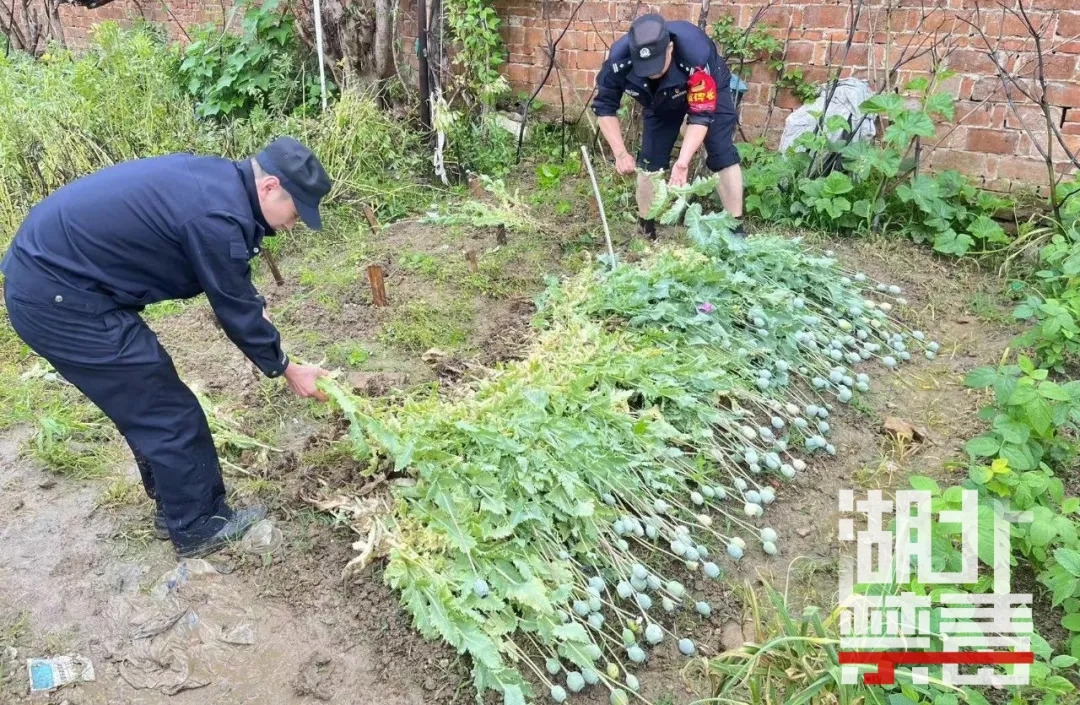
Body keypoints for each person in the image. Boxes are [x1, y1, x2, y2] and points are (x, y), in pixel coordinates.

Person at [1, 136, 333, 558]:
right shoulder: (215, 214)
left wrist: (255, 311)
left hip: (59, 285)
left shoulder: (217, 183)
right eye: (296, 211)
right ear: (269, 187)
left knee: (146, 396)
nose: (293, 224)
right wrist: (286, 367)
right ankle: (198, 525)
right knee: (167, 411)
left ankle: (175, 506)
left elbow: (230, 281)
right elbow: (232, 307)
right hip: (59, 301)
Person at [592, 13, 745, 239]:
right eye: (644, 66)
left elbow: (701, 116)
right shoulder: (618, 61)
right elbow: (604, 107)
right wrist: (620, 153)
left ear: (670, 48)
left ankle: (736, 229)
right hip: (659, 99)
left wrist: (683, 163)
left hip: (707, 89)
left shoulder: (696, 56)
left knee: (720, 150)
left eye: (656, 65)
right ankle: (646, 230)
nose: (652, 72)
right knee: (649, 161)